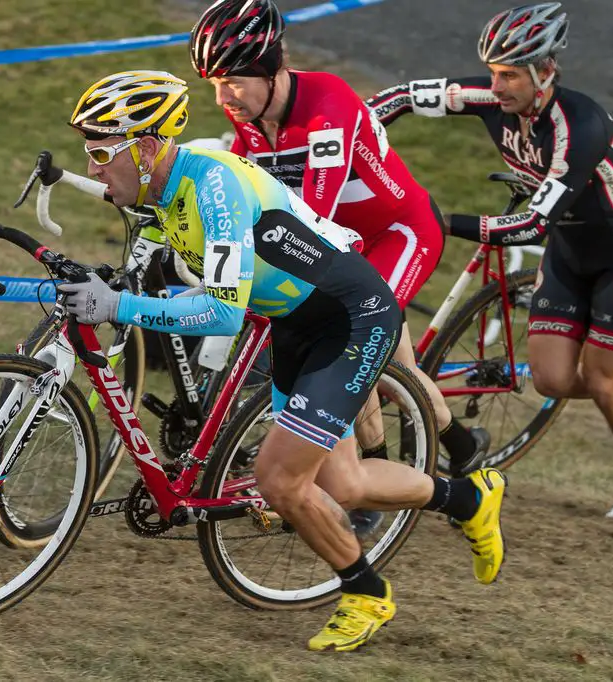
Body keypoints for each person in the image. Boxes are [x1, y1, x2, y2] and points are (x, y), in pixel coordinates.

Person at [55, 70, 508, 652]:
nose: (92, 168)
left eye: (99, 152)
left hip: (351, 318)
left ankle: (367, 592)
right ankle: (472, 497)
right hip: (298, 322)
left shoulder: (212, 186)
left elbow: (220, 314)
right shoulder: (161, 193)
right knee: (340, 483)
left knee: (279, 480)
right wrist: (120, 294)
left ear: (144, 149)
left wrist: (121, 305)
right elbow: (205, 290)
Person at [366, 2, 613, 526]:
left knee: (599, 379)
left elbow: (530, 228)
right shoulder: (491, 96)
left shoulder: (581, 125)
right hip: (571, 252)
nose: (496, 86)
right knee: (551, 381)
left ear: (545, 71)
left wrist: (439, 221)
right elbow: (397, 98)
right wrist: (348, 142)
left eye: (509, 75)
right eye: (493, 72)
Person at [187, 0, 492, 495]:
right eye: (214, 84)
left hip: (397, 233)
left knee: (364, 347)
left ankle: (410, 464)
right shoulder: (248, 114)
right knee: (383, 360)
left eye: (234, 80)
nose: (224, 97)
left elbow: (314, 214)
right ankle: (427, 452)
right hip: (338, 244)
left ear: (271, 67)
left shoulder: (328, 106)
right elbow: (242, 188)